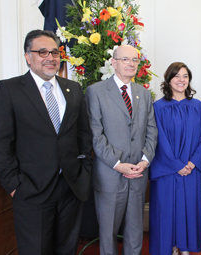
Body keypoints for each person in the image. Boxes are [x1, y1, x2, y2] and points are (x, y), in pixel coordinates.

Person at [0, 29, 93, 255]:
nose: (50, 57)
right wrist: (14, 185)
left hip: (71, 187)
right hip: (31, 190)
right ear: (28, 57)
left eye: (55, 52)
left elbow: (84, 135)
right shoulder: (9, 89)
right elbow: (1, 142)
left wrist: (84, 172)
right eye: (42, 52)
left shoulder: (73, 89)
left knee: (67, 250)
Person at [85, 45, 158, 255]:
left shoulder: (143, 94)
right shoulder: (96, 91)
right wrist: (118, 164)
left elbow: (152, 130)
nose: (131, 64)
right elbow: (95, 135)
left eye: (135, 60)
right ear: (114, 63)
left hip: (138, 173)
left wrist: (145, 160)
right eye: (125, 59)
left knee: (135, 230)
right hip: (110, 175)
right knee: (108, 232)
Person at [149, 62, 201, 255]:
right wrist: (176, 164)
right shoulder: (158, 108)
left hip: (190, 171)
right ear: (168, 80)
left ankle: (184, 247)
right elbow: (157, 140)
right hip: (166, 171)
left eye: (185, 76)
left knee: (188, 210)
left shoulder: (198, 107)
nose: (181, 80)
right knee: (165, 211)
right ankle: (168, 247)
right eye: (176, 76)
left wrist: (192, 163)